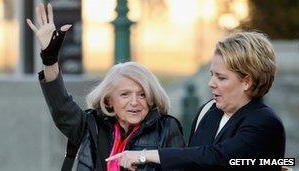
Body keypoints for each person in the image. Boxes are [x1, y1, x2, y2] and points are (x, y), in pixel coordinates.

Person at [27, 3, 185, 171]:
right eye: (125, 94)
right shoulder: (91, 126)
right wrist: (50, 60)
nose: (134, 102)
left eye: (142, 94)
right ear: (109, 100)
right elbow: (61, 107)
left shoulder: (166, 128)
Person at [106, 31, 286, 171]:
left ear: (247, 81)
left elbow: (217, 157)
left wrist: (144, 155)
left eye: (221, 78)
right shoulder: (209, 110)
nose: (211, 84)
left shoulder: (265, 122)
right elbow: (190, 160)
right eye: (212, 75)